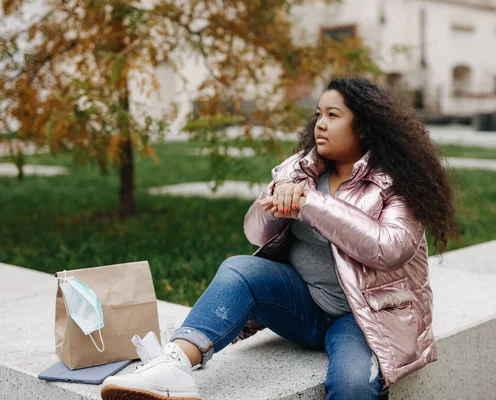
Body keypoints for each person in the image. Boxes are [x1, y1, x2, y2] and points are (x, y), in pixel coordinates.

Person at [101, 77, 458, 400]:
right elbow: (255, 233)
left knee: (351, 386)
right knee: (240, 269)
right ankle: (175, 365)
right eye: (318, 114)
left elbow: (389, 248)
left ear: (363, 127)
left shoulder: (395, 182)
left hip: (363, 318)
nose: (320, 124)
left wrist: (310, 203)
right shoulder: (301, 169)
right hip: (302, 306)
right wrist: (277, 206)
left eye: (333, 115)